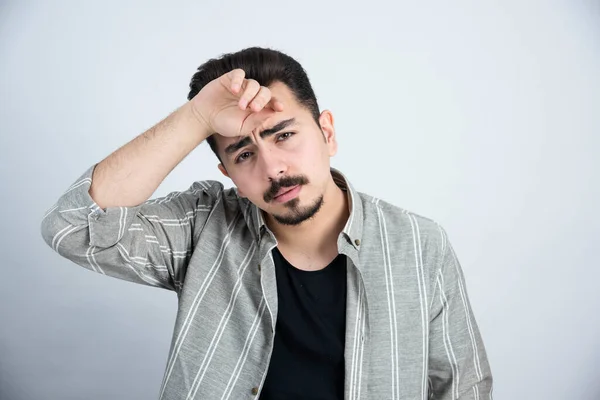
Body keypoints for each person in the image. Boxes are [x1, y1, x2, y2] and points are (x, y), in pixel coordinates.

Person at [41, 47, 493, 400]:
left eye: (284, 134)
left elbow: (461, 386)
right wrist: (198, 117)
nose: (273, 167)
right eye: (244, 153)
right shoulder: (204, 226)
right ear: (229, 174)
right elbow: (75, 227)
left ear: (327, 132)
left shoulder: (419, 244)